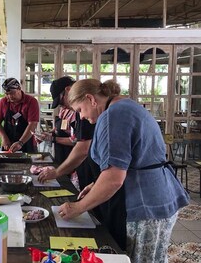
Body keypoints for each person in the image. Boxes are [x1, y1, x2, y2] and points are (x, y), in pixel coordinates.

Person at [58, 78, 189, 262]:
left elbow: (114, 179)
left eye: (80, 110)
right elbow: (132, 159)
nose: (81, 117)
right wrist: (96, 185)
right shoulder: (125, 105)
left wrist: (78, 207)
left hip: (145, 204)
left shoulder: (112, 116)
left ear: (91, 99)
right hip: (159, 196)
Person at [34, 77, 77, 164]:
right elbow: (59, 128)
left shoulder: (79, 112)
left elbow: (76, 140)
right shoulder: (64, 109)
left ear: (68, 90)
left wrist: (52, 139)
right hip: (62, 155)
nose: (62, 106)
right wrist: (47, 134)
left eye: (61, 101)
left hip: (74, 158)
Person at [0, 77, 39, 153]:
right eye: (7, 94)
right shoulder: (3, 102)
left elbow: (32, 124)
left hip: (27, 142)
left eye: (12, 93)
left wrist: (20, 142)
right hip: (8, 144)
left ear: (19, 89)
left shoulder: (31, 101)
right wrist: (3, 137)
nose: (10, 96)